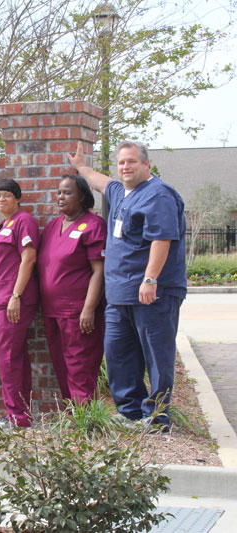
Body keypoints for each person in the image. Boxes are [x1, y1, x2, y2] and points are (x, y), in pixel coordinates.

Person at [68, 140, 186, 431]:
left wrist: (150, 279)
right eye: (121, 163)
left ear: (146, 164)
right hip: (120, 295)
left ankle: (157, 419)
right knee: (118, 352)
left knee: (157, 356)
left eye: (131, 161)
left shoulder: (158, 195)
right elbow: (102, 183)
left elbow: (162, 239)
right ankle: (131, 412)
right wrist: (82, 168)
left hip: (152, 293)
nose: (125, 167)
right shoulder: (121, 192)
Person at [37, 175, 106, 404]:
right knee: (61, 366)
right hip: (52, 311)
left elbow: (99, 271)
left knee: (80, 366)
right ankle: (73, 418)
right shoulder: (53, 226)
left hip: (78, 312)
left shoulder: (93, 226)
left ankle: (84, 422)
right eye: (58, 192)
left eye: (67, 193)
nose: (60, 197)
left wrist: (88, 309)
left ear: (83, 196)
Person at [0, 178, 39, 428]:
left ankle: (16, 417)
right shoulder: (1, 225)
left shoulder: (23, 221)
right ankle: (21, 415)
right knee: (14, 357)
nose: (1, 200)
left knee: (7, 358)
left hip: (12, 300)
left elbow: (28, 258)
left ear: (18, 198)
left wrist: (16, 296)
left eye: (6, 195)